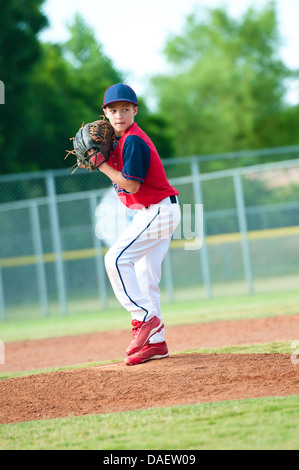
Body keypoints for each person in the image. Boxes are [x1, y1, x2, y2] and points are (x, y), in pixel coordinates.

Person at [96, 83, 181, 365]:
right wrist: (106, 157)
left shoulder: (132, 140)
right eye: (112, 109)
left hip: (157, 211)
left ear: (135, 110)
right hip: (158, 211)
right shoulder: (121, 143)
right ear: (105, 113)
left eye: (124, 109)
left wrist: (102, 166)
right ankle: (156, 344)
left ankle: (145, 318)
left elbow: (131, 186)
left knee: (116, 259)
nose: (118, 114)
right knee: (146, 280)